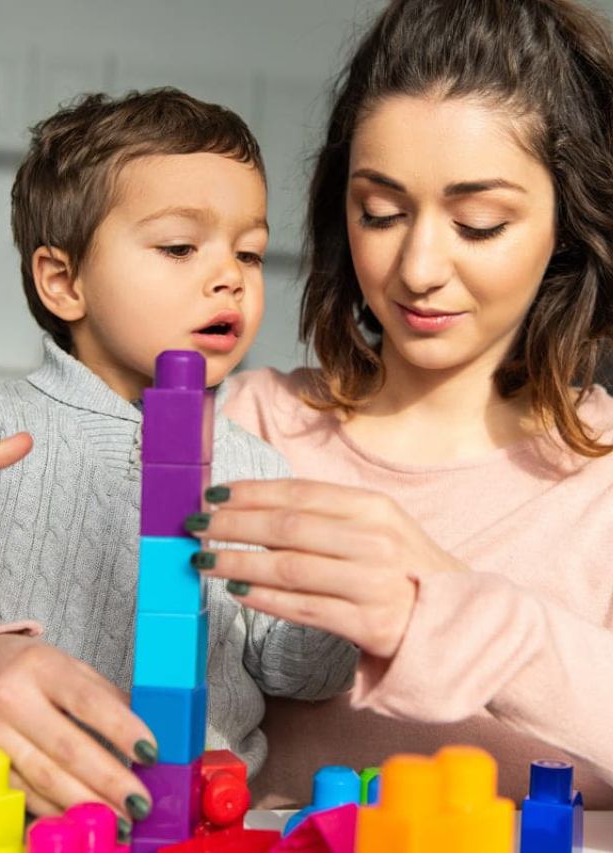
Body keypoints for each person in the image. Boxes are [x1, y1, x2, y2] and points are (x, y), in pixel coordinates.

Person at [197, 0, 613, 807]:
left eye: (480, 223)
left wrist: (443, 600)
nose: (418, 266)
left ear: (567, 222)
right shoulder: (245, 429)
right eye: (379, 212)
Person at [0, 88, 355, 834]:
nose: (231, 276)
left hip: (204, 823)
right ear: (64, 280)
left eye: (248, 251)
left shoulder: (258, 471)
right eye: (181, 246)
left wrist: (331, 598)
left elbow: (301, 675)